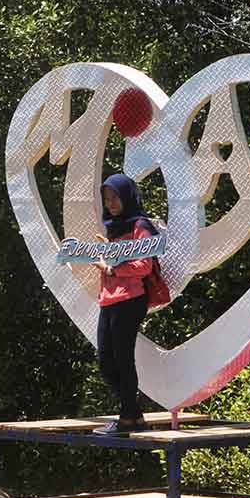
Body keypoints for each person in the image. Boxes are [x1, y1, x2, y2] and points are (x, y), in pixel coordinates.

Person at [92, 173, 158, 436]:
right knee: (106, 362)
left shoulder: (140, 225)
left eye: (115, 197)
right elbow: (122, 258)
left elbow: (144, 266)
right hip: (109, 300)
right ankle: (134, 416)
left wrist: (109, 268)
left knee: (122, 359)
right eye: (107, 199)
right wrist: (109, 250)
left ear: (127, 195)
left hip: (130, 299)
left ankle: (126, 419)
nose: (111, 204)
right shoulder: (115, 227)